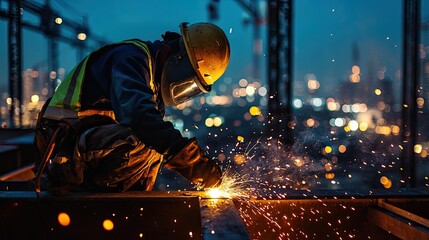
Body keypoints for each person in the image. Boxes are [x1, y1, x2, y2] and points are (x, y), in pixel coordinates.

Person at [33, 22, 230, 195]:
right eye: (189, 83)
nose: (185, 90)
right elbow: (140, 117)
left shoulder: (152, 82)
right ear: (177, 59)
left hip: (84, 140)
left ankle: (131, 204)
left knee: (155, 147)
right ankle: (96, 198)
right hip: (63, 146)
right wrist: (195, 164)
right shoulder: (131, 59)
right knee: (146, 140)